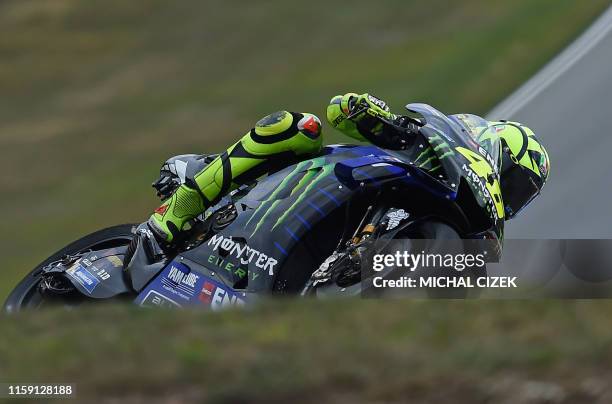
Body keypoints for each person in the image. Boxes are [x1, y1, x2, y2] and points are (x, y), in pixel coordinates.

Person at [132, 92, 550, 260]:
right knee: (299, 125)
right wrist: (371, 111)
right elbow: (340, 111)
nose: (512, 198)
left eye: (522, 197)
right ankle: (178, 211)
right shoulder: (421, 144)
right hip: (299, 185)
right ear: (492, 149)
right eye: (515, 181)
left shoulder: (474, 233)